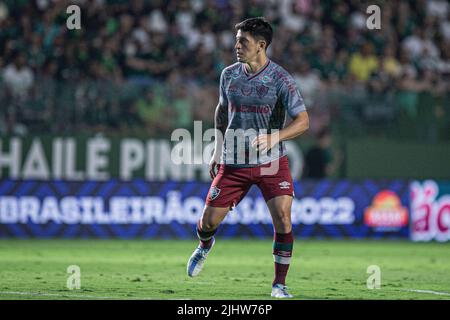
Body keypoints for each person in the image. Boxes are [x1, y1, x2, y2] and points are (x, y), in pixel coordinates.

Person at [186, 17, 309, 299]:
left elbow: (303, 121)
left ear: (261, 45)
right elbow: (221, 112)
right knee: (207, 223)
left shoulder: (281, 79)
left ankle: (279, 285)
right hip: (233, 162)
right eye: (237, 40)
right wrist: (217, 149)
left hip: (272, 163)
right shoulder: (228, 74)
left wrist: (274, 137)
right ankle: (205, 246)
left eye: (244, 41)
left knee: (283, 220)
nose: (237, 45)